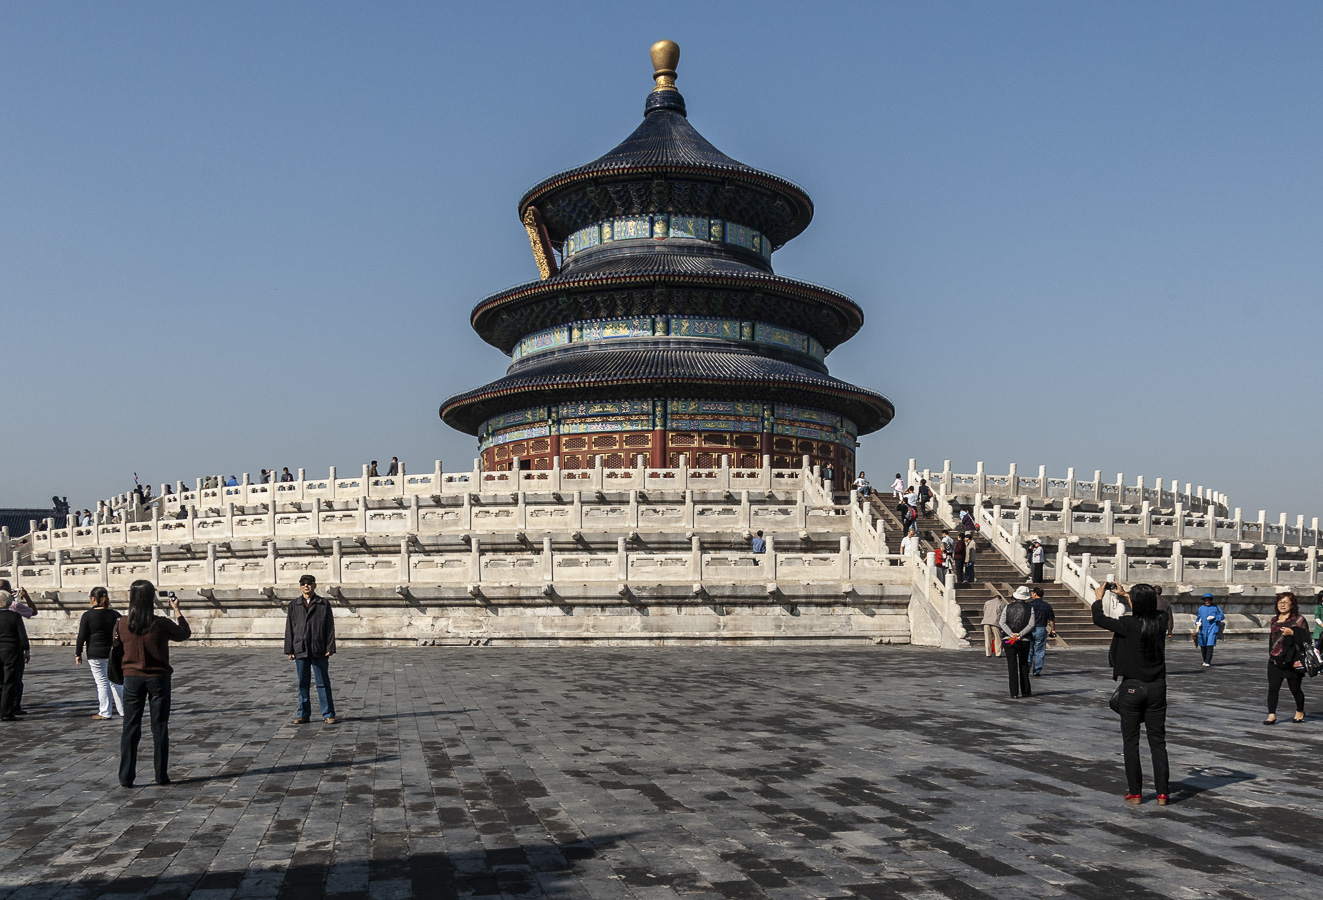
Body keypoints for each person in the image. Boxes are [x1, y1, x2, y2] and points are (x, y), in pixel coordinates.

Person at [1091, 581, 1170, 805]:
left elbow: (1099, 619)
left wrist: (1099, 598)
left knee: (1131, 741)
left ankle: (1135, 792)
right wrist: (1128, 595)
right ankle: (1162, 793)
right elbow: (1153, 611)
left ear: (1135, 604)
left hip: (1132, 687)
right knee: (1157, 741)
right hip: (1157, 687)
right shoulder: (1161, 621)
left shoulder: (1127, 624)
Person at [115, 581, 190, 786]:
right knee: (159, 727)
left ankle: (126, 776)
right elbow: (184, 634)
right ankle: (160, 774)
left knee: (130, 727)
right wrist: (177, 610)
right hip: (158, 678)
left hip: (131, 678)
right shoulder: (160, 623)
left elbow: (116, 646)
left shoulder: (122, 623)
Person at [285, 575, 337, 725]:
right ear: (300, 586)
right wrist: (289, 649)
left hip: (318, 647)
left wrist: (330, 646)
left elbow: (330, 627)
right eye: (303, 584)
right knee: (303, 683)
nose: (306, 586)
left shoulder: (323, 603)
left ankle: (328, 713)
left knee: (322, 682)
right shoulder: (294, 605)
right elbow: (289, 627)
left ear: (314, 585)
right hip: (300, 647)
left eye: (309, 583)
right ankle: (303, 714)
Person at [76, 587, 124, 720]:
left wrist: (78, 653)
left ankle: (105, 711)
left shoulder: (88, 615)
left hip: (95, 653)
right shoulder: (115, 614)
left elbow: (82, 636)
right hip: (112, 652)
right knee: (116, 682)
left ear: (93, 599)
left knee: (102, 683)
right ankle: (124, 710)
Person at [1264, 591, 1308, 725]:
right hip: (1275, 660)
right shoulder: (1274, 620)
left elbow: (1306, 639)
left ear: (1292, 604)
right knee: (1273, 689)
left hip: (1292, 661)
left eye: (1286, 602)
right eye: (1280, 602)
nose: (1282, 605)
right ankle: (1271, 714)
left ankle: (1300, 711)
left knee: (1295, 689)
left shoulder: (1299, 620)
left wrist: (1293, 632)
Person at [0, 591, 31, 721]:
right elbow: (21, 635)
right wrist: (26, 650)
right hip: (11, 650)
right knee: (10, 681)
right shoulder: (14, 616)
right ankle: (7, 712)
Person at [1000, 586, 1035, 698]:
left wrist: (1011, 634)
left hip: (1009, 639)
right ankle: (1025, 691)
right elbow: (1031, 624)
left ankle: (1014, 693)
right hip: (1024, 639)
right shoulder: (1030, 608)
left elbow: (1002, 622)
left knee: (1012, 665)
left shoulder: (1007, 607)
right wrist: (1020, 634)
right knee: (1024, 664)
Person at [1027, 588, 1056, 675]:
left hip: (1029, 628)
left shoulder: (1029, 605)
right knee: (1040, 650)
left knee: (1029, 649)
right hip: (1041, 628)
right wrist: (1053, 629)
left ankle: (1028, 665)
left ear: (1035, 594)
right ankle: (1037, 670)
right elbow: (1051, 619)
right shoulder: (1047, 605)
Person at [1193, 593, 1224, 667]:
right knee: (1203, 645)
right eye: (1206, 600)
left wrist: (1214, 617)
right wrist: (1197, 623)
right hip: (1203, 629)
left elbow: (1222, 616)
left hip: (1212, 628)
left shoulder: (1216, 608)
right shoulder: (1201, 609)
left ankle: (1208, 661)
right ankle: (1204, 659)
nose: (1207, 602)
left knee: (1210, 645)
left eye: (1208, 600)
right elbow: (1198, 618)